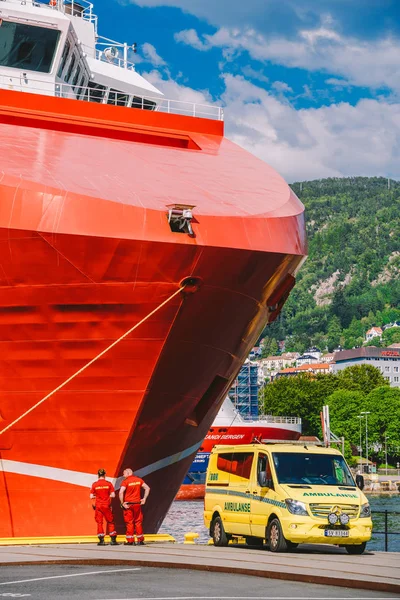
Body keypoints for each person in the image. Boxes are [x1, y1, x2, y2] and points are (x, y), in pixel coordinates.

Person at [119, 467, 150, 546]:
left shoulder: (125, 481)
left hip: (128, 504)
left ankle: (130, 540)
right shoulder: (138, 480)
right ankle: (140, 540)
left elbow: (120, 492)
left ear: (128, 473)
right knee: (138, 521)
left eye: (124, 474)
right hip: (137, 503)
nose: (123, 475)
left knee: (129, 522)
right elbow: (147, 488)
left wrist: (122, 503)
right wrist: (144, 499)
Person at [90, 468, 119, 546]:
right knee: (110, 521)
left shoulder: (94, 484)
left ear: (98, 475)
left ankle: (101, 540)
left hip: (98, 506)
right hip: (106, 505)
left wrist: (98, 495)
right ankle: (113, 540)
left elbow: (91, 496)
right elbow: (113, 495)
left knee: (99, 522)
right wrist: (106, 495)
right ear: (105, 475)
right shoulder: (108, 484)